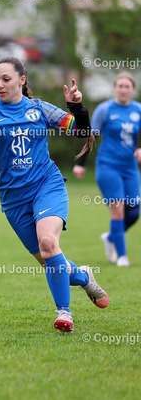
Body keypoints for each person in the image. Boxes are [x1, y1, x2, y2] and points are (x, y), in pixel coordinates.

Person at [0, 56, 108, 332]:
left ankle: (64, 312)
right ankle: (84, 277)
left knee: (48, 243)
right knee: (51, 260)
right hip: (13, 200)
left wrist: (77, 107)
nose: (0, 85)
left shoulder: (39, 109)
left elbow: (81, 131)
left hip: (46, 185)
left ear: (22, 80)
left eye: (6, 79)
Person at [73, 72, 141, 267]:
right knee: (118, 210)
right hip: (108, 166)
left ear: (133, 90)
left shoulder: (138, 110)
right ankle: (122, 257)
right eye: (120, 86)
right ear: (114, 89)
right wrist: (80, 163)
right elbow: (91, 137)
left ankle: (111, 237)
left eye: (127, 86)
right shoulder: (105, 110)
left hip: (130, 168)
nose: (123, 90)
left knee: (134, 211)